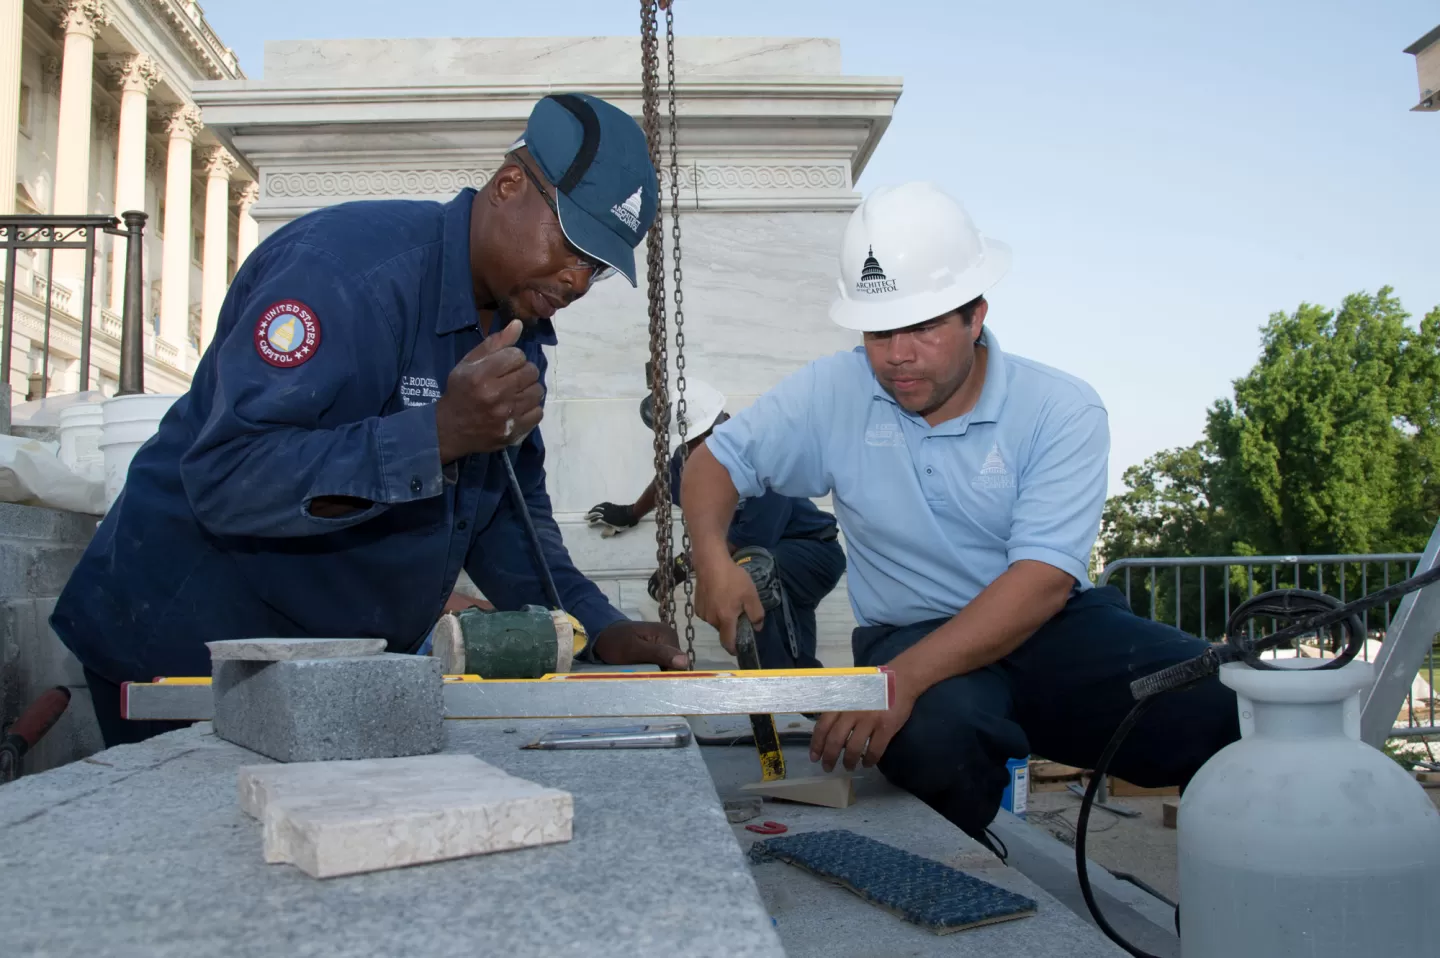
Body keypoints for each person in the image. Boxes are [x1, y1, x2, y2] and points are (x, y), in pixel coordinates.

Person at [52, 92, 691, 749]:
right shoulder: (343, 273)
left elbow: (501, 516)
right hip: (187, 648)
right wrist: (437, 436)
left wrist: (596, 623)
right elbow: (228, 477)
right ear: (508, 186)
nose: (578, 280)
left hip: (328, 667)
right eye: (573, 243)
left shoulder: (516, 330)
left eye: (598, 267)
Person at [680, 181, 1241, 850]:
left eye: (923, 327)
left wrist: (899, 683)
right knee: (932, 738)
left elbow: (1041, 581)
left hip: (1047, 626)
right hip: (907, 629)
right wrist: (712, 557)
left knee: (1230, 708)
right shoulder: (837, 389)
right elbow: (714, 463)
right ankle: (964, 877)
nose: (897, 355)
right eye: (880, 331)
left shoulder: (1061, 409)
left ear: (976, 316)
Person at [585, 379, 845, 668]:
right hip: (775, 559)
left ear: (727, 422)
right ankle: (806, 698)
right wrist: (632, 513)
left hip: (812, 551)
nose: (699, 448)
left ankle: (770, 689)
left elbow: (750, 539)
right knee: (791, 637)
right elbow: (666, 481)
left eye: (705, 436)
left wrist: (684, 565)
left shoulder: (759, 458)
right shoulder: (687, 460)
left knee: (753, 573)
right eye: (690, 444)